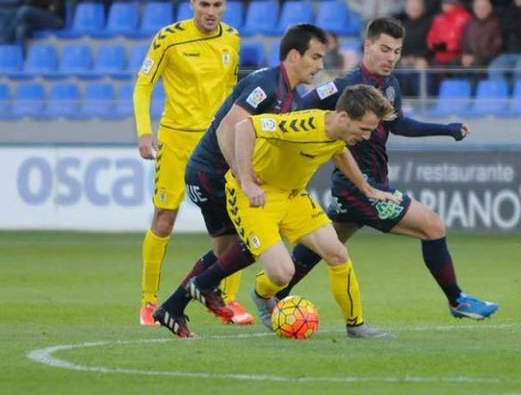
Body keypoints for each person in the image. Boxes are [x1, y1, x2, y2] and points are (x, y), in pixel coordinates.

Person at [279, 17, 498, 321]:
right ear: (367, 46)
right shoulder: (344, 85)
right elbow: (302, 107)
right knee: (433, 226)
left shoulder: (389, 85)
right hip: (359, 186)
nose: (391, 57)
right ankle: (457, 300)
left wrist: (446, 129)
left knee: (323, 246)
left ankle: (273, 295)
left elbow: (399, 124)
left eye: (396, 51)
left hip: (365, 184)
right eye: (384, 49)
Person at [155, 85, 401, 339]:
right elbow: (245, 127)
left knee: (337, 252)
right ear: (343, 117)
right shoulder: (303, 125)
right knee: (283, 273)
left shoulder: (338, 133)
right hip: (254, 197)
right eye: (365, 129)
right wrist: (247, 181)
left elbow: (339, 153)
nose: (368, 137)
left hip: (293, 197)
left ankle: (356, 326)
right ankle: (259, 294)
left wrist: (367, 189)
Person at [153, 24, 330, 332]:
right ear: (293, 55)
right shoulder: (266, 84)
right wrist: (244, 178)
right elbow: (228, 128)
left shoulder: (291, 96)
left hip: (214, 176)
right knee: (255, 240)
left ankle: (172, 307)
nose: (319, 65)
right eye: (315, 57)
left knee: (227, 253)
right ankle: (201, 289)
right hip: (210, 175)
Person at [133, 0, 240, 327]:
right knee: (165, 218)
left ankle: (228, 300)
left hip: (217, 142)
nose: (211, 11)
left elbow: (232, 92)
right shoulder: (169, 38)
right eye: (204, 4)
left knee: (234, 221)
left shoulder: (232, 39)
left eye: (217, 5)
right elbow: (143, 87)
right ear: (192, 3)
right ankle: (149, 301)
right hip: (177, 140)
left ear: (225, 5)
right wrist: (145, 132)